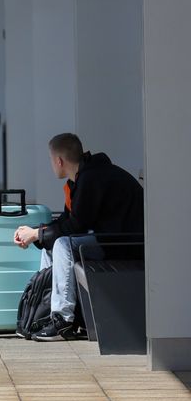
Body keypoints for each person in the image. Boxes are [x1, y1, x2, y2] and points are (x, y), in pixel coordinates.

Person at [13, 134, 144, 341]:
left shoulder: (92, 178)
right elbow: (68, 221)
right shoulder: (81, 179)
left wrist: (37, 233)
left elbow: (75, 226)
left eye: (50, 160)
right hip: (108, 240)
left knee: (63, 244)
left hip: (124, 244)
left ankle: (63, 321)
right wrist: (37, 233)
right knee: (53, 245)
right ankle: (44, 311)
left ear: (59, 161)